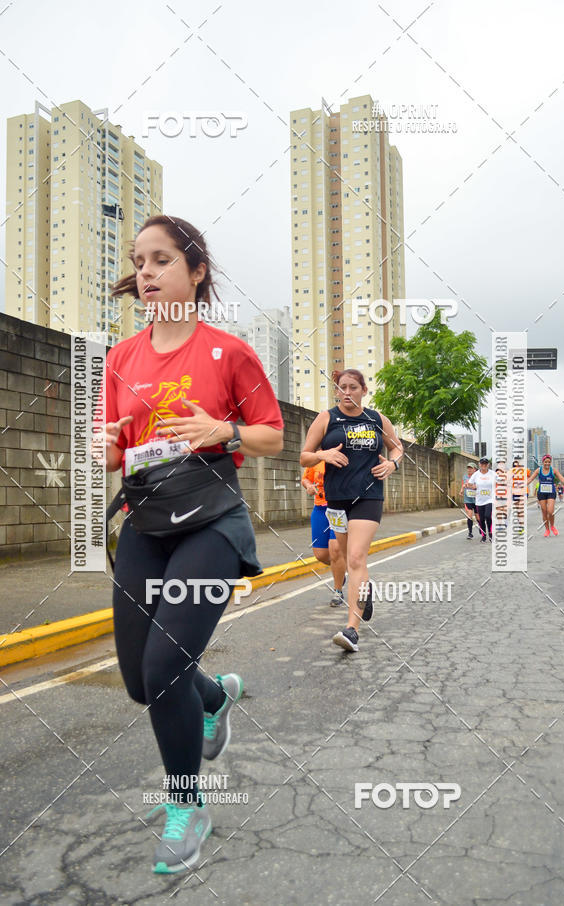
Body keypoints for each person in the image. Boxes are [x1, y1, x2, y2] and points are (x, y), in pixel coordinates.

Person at [98, 215, 284, 873]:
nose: (145, 272)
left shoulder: (228, 352)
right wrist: (103, 448)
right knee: (139, 682)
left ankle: (187, 805)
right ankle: (214, 697)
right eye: (138, 261)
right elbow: (113, 449)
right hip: (147, 523)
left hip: (210, 522)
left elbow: (271, 435)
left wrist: (222, 430)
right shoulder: (121, 358)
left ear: (196, 271)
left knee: (162, 667)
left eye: (161, 260)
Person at [300, 368, 403, 653]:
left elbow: (397, 448)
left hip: (369, 496)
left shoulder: (377, 419)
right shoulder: (326, 418)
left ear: (363, 390)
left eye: (353, 387)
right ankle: (364, 591)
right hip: (336, 499)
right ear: (336, 391)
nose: (347, 392)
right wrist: (322, 454)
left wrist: (392, 464)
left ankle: (351, 630)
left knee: (357, 557)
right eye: (342, 387)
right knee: (344, 557)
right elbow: (304, 456)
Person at [301, 461, 347, 605]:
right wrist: (308, 486)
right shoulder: (316, 458)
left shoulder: (343, 455)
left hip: (339, 508)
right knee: (320, 554)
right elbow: (305, 478)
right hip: (320, 509)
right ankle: (340, 572)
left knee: (335, 549)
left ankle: (338, 591)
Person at [527, 455, 564, 536]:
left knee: (550, 511)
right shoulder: (538, 470)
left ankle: (552, 526)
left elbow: (562, 479)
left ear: (550, 462)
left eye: (549, 462)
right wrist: (522, 485)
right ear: (543, 462)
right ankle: (547, 529)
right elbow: (530, 479)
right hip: (541, 493)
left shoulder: (553, 470)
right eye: (545, 462)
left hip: (551, 493)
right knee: (544, 512)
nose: (547, 463)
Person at [466, 458, 494, 542]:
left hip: (490, 499)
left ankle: (490, 533)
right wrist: (473, 487)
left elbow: (501, 482)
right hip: (479, 500)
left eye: (485, 464)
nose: (484, 465)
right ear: (479, 465)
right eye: (482, 464)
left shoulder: (493, 474)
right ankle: (484, 535)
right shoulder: (476, 474)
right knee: (481, 519)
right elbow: (469, 484)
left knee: (488, 516)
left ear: (488, 465)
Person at [461, 463, 477, 539]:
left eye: (471, 468)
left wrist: (472, 486)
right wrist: (461, 491)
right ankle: (470, 533)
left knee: (479, 518)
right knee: (469, 516)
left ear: (475, 469)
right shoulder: (465, 477)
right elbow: (463, 484)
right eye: (468, 468)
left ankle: (482, 529)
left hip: (477, 500)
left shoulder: (478, 477)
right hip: (467, 499)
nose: (469, 470)